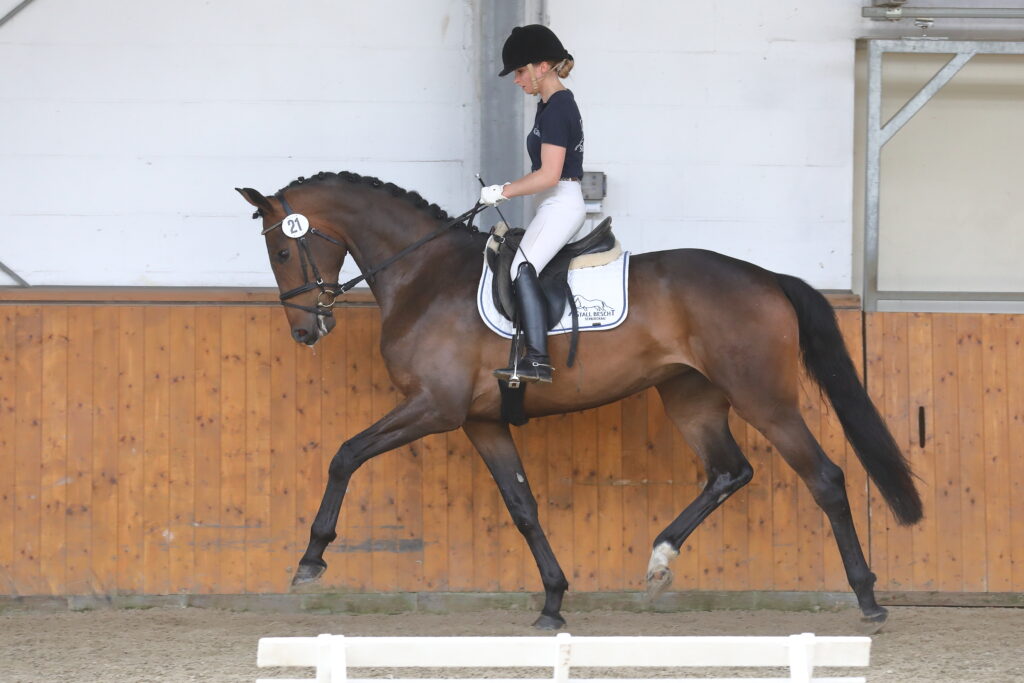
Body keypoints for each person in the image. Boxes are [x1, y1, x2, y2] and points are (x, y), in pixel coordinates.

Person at [480, 24, 585, 384]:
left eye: (521, 71)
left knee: (521, 268)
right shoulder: (547, 107)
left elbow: (549, 174)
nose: (516, 80)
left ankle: (538, 359)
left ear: (543, 66)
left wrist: (503, 191)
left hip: (561, 201)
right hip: (552, 203)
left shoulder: (557, 109)